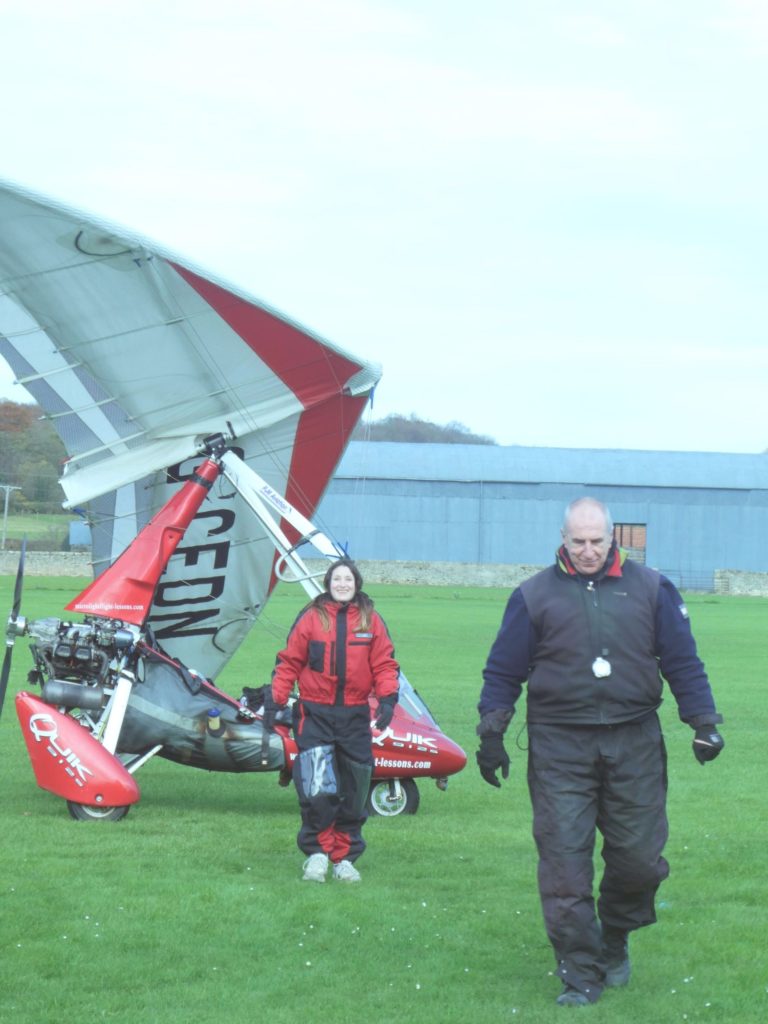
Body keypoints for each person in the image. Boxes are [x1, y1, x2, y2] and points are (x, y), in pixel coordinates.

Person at [476, 497, 724, 1007]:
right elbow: (503, 670)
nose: (588, 551)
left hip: (634, 741)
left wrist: (704, 723)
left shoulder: (652, 589)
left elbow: (683, 660)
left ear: (614, 538)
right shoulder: (533, 595)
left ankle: (613, 937)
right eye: (578, 541)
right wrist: (491, 734)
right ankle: (580, 973)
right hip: (559, 745)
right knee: (564, 865)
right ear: (562, 539)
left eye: (597, 541)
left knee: (639, 861)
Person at [267, 557, 400, 883]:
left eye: (348, 580)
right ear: (328, 583)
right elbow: (288, 662)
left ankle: (344, 858)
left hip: (355, 717)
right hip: (315, 715)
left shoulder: (371, 620)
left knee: (354, 790)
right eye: (337, 579)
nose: (342, 584)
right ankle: (316, 855)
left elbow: (384, 663)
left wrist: (387, 698)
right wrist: (276, 700)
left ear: (356, 584)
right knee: (317, 789)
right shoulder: (311, 618)